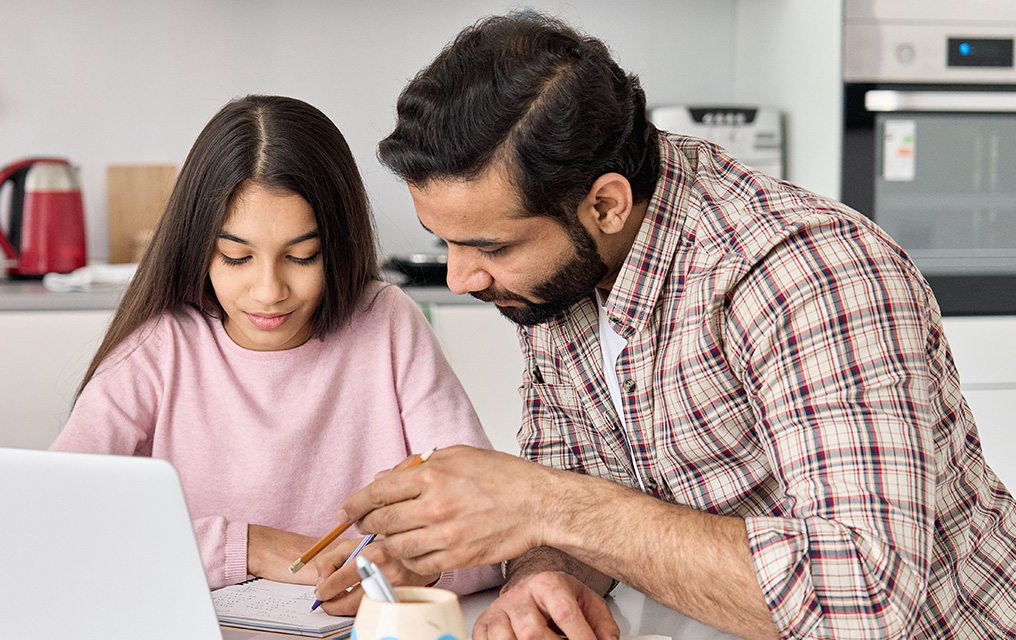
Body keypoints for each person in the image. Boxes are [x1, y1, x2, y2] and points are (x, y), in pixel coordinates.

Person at [330, 13, 1016, 640]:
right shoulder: (562, 269)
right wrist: (544, 578)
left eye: (491, 248)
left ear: (605, 204)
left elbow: (864, 598)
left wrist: (540, 505)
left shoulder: (807, 275)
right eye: (445, 241)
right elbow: (578, 480)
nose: (460, 279)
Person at [51, 95, 501, 612]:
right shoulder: (162, 346)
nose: (269, 291)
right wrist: (247, 547)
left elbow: (491, 528)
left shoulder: (387, 321)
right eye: (236, 257)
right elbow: (59, 522)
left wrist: (416, 564)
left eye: (301, 256)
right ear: (199, 248)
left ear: (337, 245)